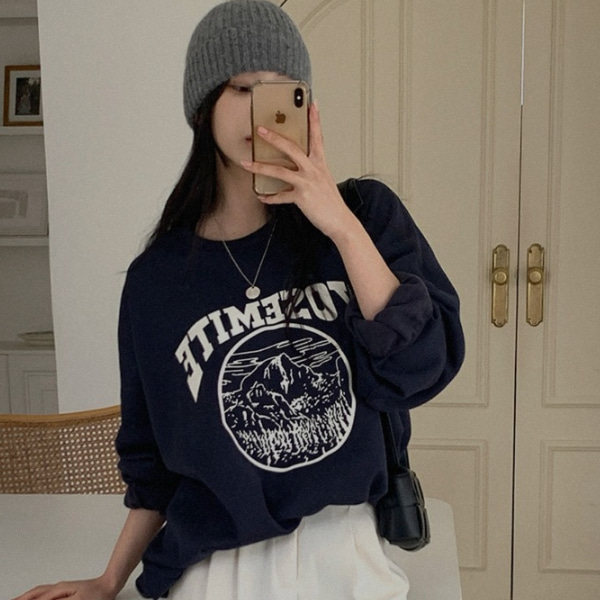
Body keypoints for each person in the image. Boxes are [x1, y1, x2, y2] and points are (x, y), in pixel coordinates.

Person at [14, 1, 464, 599]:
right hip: (216, 567)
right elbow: (152, 464)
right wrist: (107, 581)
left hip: (347, 557)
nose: (263, 110)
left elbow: (419, 370)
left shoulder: (365, 217)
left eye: (284, 91)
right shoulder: (157, 281)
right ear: (204, 107)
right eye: (244, 88)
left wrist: (339, 225)